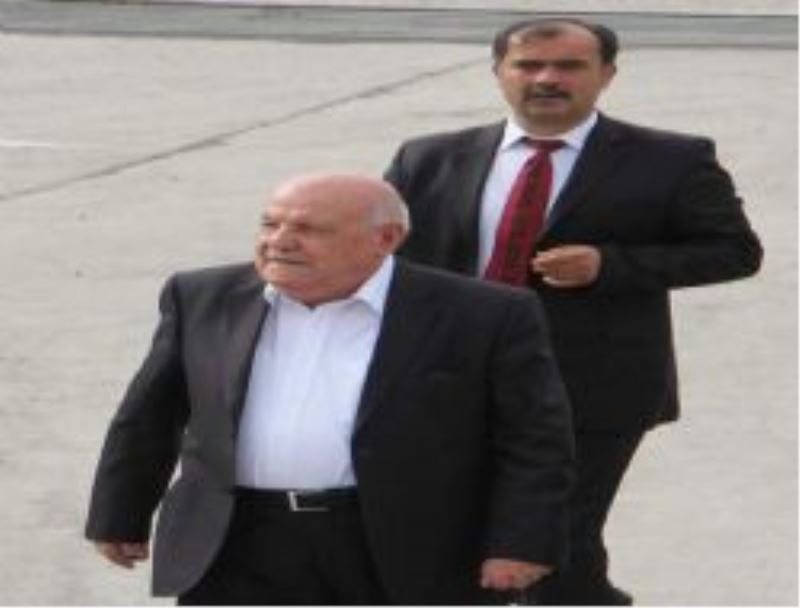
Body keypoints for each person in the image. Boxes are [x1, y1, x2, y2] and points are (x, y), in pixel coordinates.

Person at [384, 17, 763, 605]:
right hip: (452, 382)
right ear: (499, 72)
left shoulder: (671, 159)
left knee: (555, 542)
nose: (547, 79)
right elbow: (380, 253)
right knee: (456, 537)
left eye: (568, 66)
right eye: (529, 65)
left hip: (591, 388)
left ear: (606, 75)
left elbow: (734, 251)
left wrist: (610, 266)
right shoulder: (429, 158)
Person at [84, 173, 575, 605]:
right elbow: (150, 413)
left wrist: (521, 541)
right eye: (270, 224)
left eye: (309, 229)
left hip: (400, 541)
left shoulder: (483, 314)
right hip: (237, 538)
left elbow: (534, 438)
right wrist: (120, 512)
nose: (280, 241)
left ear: (386, 238)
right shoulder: (202, 297)